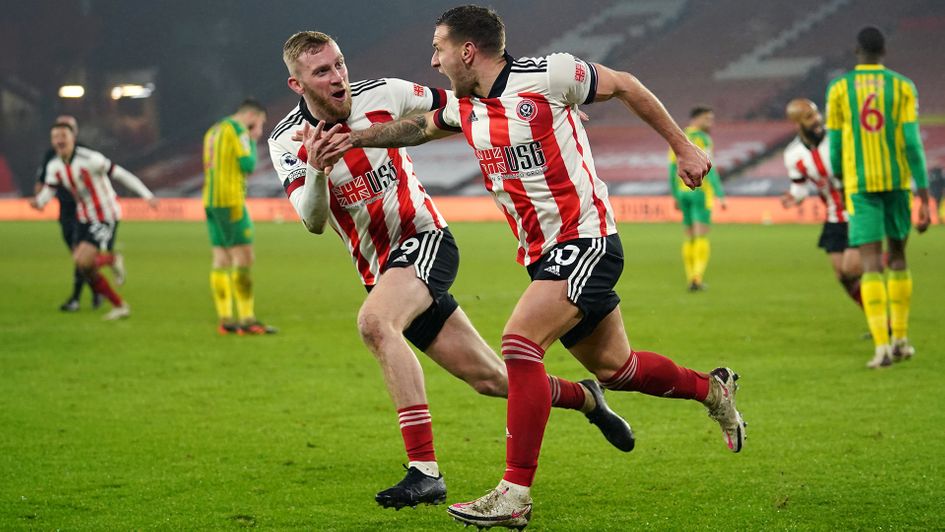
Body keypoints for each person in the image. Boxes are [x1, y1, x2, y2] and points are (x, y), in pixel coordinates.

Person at [330, 6, 746, 528]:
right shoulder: (467, 106)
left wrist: (683, 146)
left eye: (439, 48)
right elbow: (418, 128)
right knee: (617, 368)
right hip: (542, 257)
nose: (433, 61)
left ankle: (514, 494)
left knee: (519, 343)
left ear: (467, 51)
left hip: (586, 239)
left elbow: (625, 84)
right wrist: (355, 138)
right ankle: (712, 390)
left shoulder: (549, 75)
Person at [270, 31, 635, 511]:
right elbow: (313, 221)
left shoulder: (386, 93)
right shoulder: (285, 140)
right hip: (382, 272)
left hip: (425, 240)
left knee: (375, 323)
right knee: (492, 380)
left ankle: (424, 472)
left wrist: (541, 109)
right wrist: (318, 170)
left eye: (339, 63)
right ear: (297, 84)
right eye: (322, 71)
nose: (338, 75)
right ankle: (586, 398)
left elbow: (467, 105)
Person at [825, 27, 931, 369]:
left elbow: (836, 143)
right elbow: (912, 143)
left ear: (856, 50)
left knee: (870, 263)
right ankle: (901, 339)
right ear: (884, 51)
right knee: (898, 257)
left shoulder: (839, 89)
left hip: (860, 185)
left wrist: (841, 177)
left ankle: (882, 349)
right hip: (897, 183)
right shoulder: (902, 86)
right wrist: (924, 194)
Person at [30, 121, 158, 320]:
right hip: (84, 216)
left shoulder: (91, 159)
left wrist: (146, 195)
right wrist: (39, 202)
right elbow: (50, 189)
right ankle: (120, 305)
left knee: (84, 261)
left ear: (73, 139)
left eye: (63, 136)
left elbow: (121, 174)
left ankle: (113, 260)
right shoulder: (54, 165)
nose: (59, 140)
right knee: (83, 266)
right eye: (55, 137)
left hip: (105, 214)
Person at [203, 99, 277, 335]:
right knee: (244, 258)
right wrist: (252, 139)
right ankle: (247, 319)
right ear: (252, 117)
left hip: (211, 201)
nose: (259, 129)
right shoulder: (239, 131)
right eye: (260, 123)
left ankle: (226, 319)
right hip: (231, 201)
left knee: (221, 259)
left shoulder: (214, 130)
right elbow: (248, 164)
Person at [781, 98, 862, 308]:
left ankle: (886, 260)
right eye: (809, 117)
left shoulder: (839, 138)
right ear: (797, 123)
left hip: (859, 211)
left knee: (852, 269)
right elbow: (799, 189)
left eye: (817, 113)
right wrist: (793, 198)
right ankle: (878, 318)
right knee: (843, 276)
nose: (817, 119)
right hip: (834, 216)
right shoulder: (792, 155)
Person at [33, 115, 107, 311]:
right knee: (78, 256)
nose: (61, 137)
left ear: (74, 132)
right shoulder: (51, 155)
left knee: (80, 255)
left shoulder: (84, 153)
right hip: (65, 210)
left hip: (86, 211)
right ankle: (96, 291)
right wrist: (40, 200)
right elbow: (42, 180)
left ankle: (75, 299)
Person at [669, 106, 726, 291]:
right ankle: (697, 277)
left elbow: (672, 168)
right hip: (700, 191)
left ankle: (690, 277)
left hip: (682, 191)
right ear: (697, 119)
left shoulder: (678, 138)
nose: (711, 123)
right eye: (707, 119)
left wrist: (675, 194)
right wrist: (720, 194)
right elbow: (710, 168)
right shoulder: (703, 138)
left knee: (689, 235)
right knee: (701, 234)